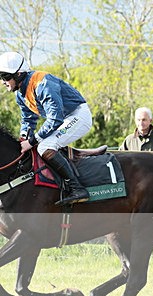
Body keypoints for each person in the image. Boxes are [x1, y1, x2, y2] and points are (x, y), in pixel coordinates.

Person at [0, 51, 90, 206]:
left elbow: (55, 119)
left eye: (6, 77)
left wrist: (32, 140)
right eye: (1, 77)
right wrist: (24, 138)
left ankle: (77, 188)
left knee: (44, 146)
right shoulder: (20, 94)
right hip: (65, 119)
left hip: (78, 116)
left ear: (19, 74)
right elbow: (28, 119)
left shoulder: (43, 83)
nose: (3, 81)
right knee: (36, 146)